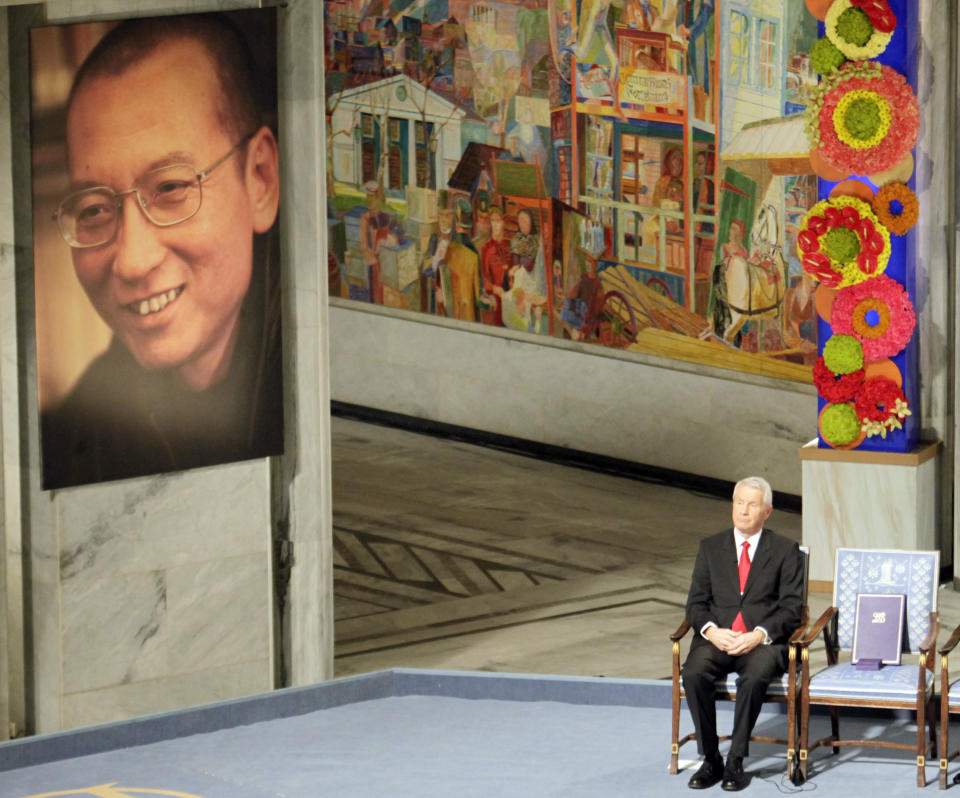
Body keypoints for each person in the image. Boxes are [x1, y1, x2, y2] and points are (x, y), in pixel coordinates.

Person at [40, 12, 282, 489]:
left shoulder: (316, 375)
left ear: (260, 180)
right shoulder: (71, 437)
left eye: (171, 187)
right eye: (92, 210)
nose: (132, 260)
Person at [681, 477, 803, 791]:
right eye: (739, 503)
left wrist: (760, 634)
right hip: (719, 637)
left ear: (767, 511)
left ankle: (736, 760)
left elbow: (792, 608)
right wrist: (711, 631)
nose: (744, 510)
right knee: (693, 673)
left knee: (756, 675)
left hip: (761, 642)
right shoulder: (710, 547)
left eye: (752, 504)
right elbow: (695, 604)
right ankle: (711, 759)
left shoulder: (785, 550)